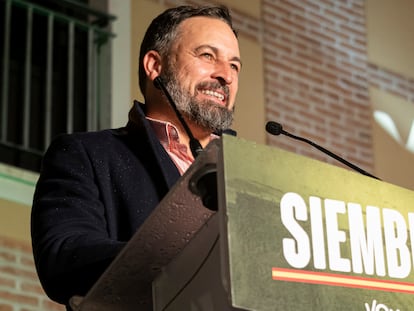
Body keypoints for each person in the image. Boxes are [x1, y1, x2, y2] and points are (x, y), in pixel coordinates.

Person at [31, 4, 241, 309]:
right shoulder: (86, 155)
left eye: (235, 66)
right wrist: (193, 258)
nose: (225, 75)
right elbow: (63, 257)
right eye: (208, 56)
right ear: (155, 66)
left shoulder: (250, 175)